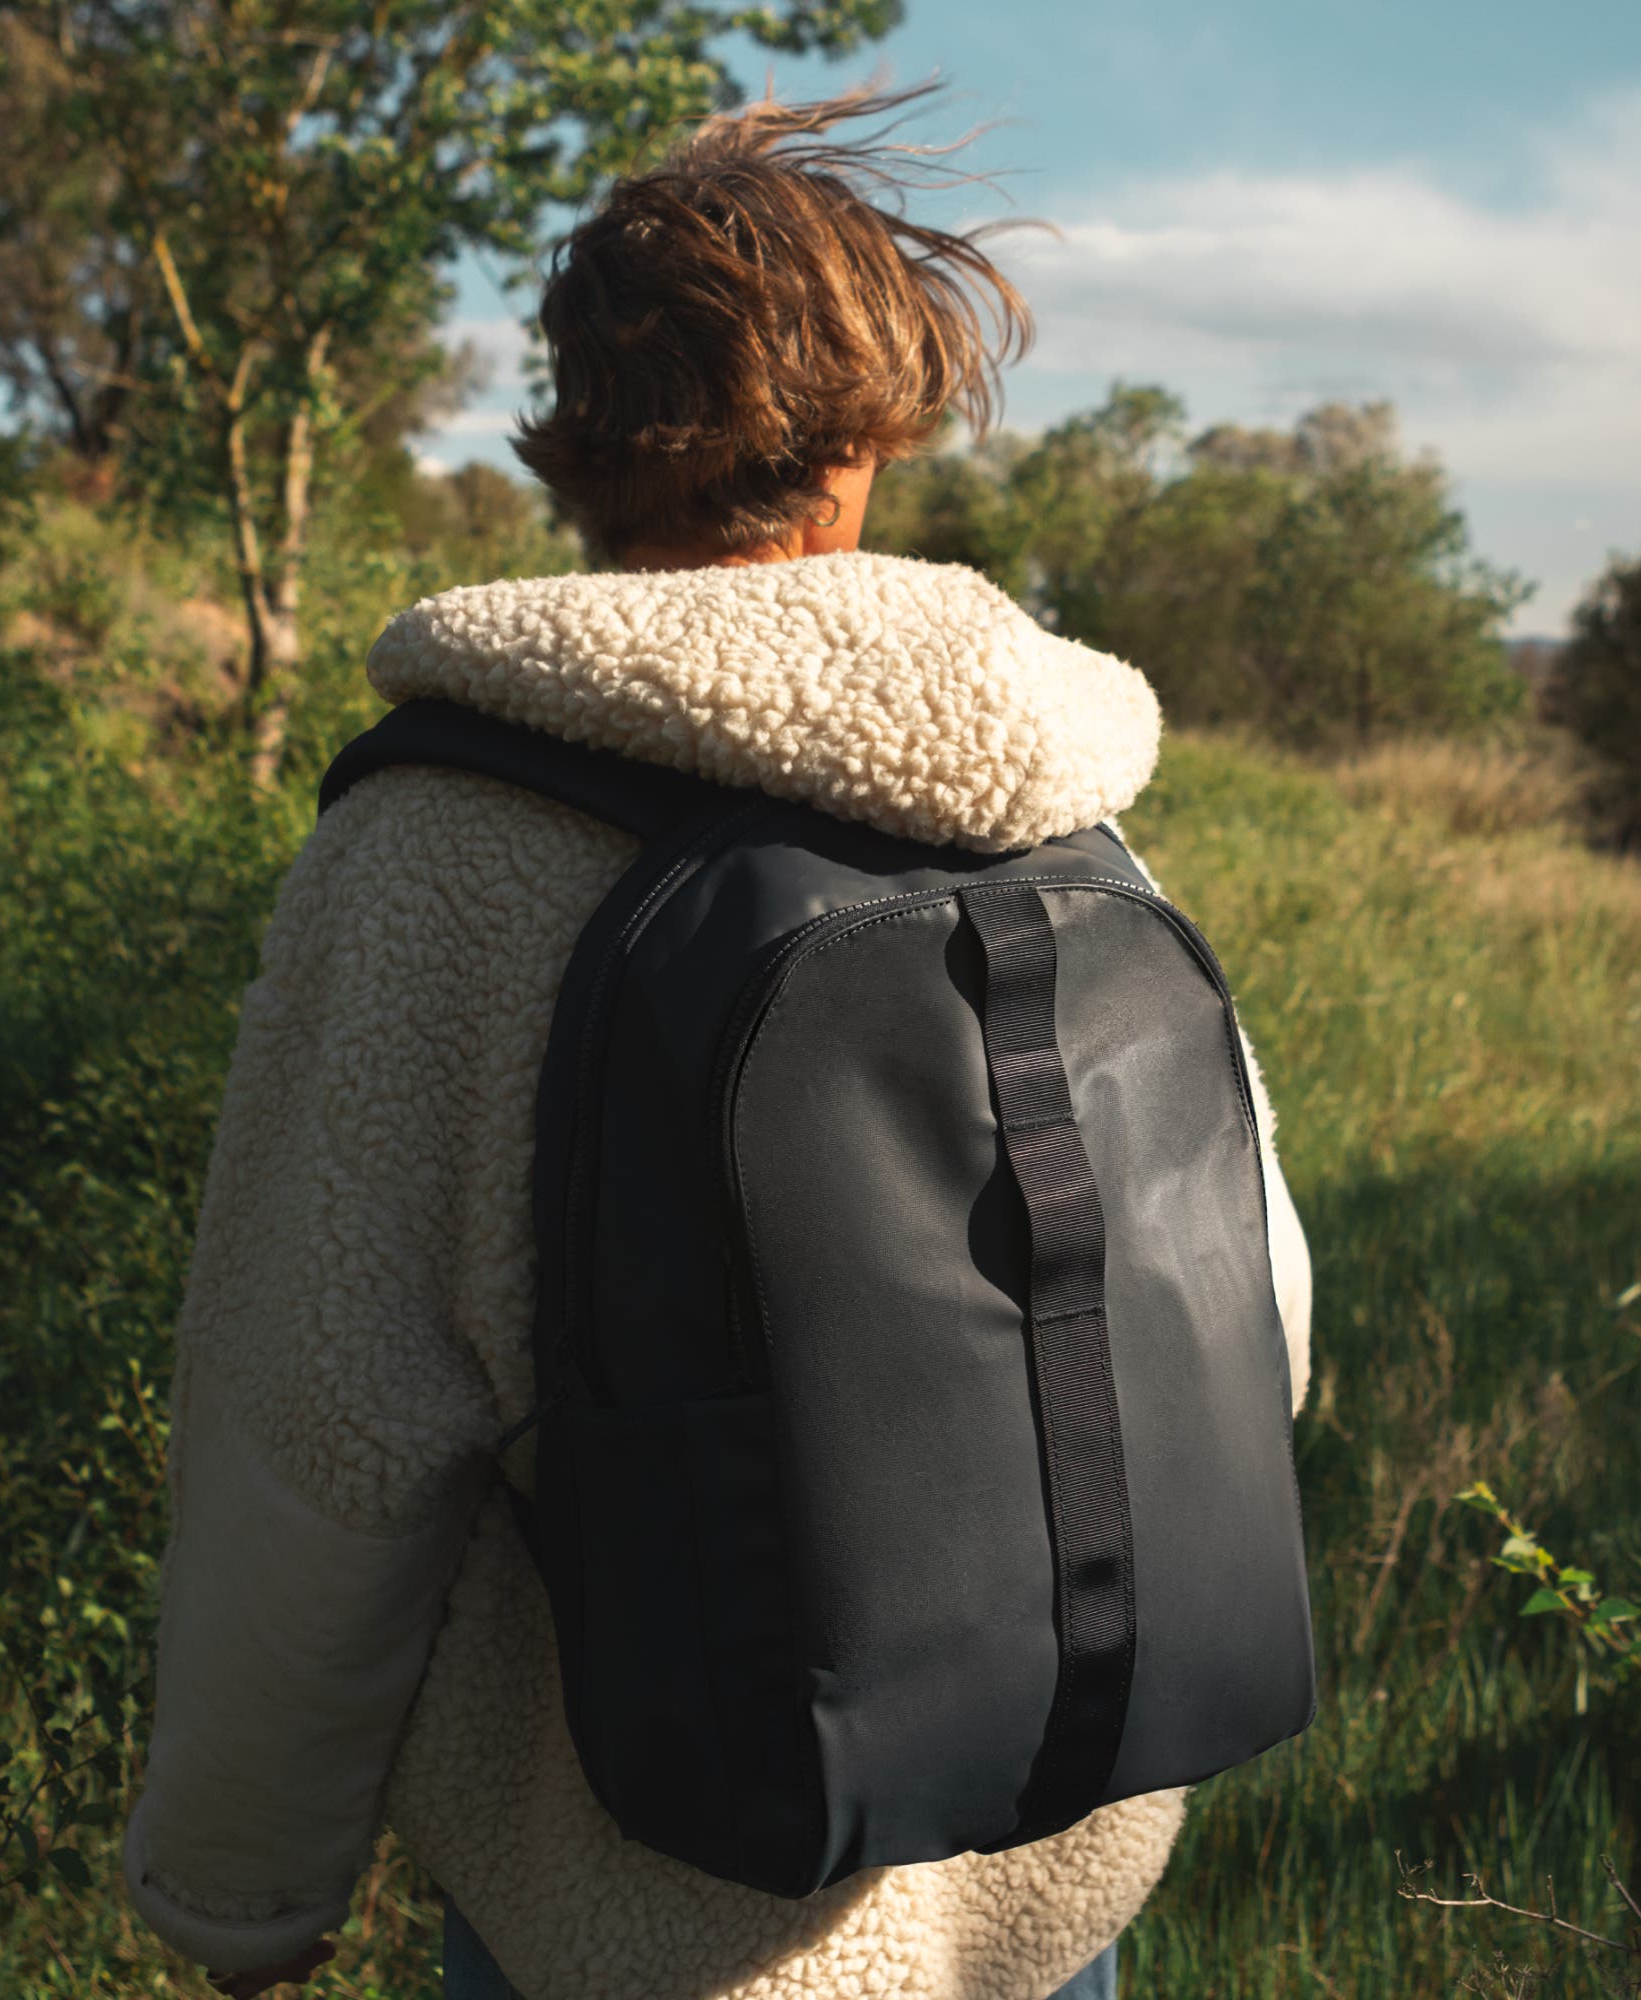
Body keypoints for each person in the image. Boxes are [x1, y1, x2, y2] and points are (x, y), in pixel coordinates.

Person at [122, 80, 1314, 2000]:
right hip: (1049, 1877)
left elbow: (319, 1418)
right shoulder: (1057, 800)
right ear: (873, 433)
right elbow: (1255, 1306)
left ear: (576, 439)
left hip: (640, 1900)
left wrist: (243, 1887)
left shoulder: (445, 841)